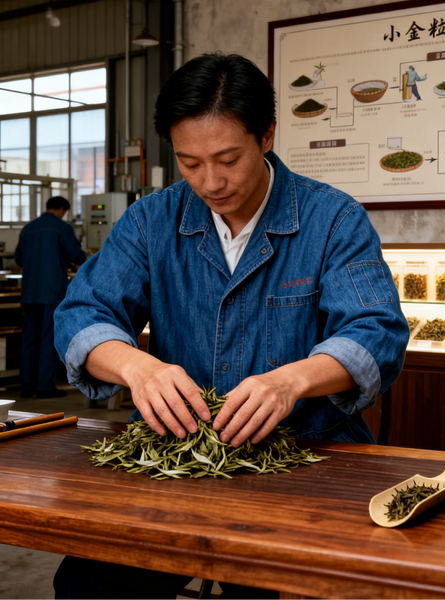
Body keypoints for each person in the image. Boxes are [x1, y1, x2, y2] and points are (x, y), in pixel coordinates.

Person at [52, 52, 409, 600]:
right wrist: (137, 367)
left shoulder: (332, 218)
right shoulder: (152, 220)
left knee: (283, 588)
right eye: (189, 163)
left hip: (304, 458)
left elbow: (375, 331)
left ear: (266, 136)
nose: (211, 182)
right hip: (180, 456)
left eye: (227, 158)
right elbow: (82, 313)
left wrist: (291, 382)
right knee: (88, 582)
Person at [14, 195, 86, 398]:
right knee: (48, 338)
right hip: (51, 291)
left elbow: (19, 258)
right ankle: (45, 387)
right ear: (62, 209)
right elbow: (76, 255)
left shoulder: (28, 228)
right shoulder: (61, 227)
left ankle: (27, 387)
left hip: (29, 293)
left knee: (28, 340)